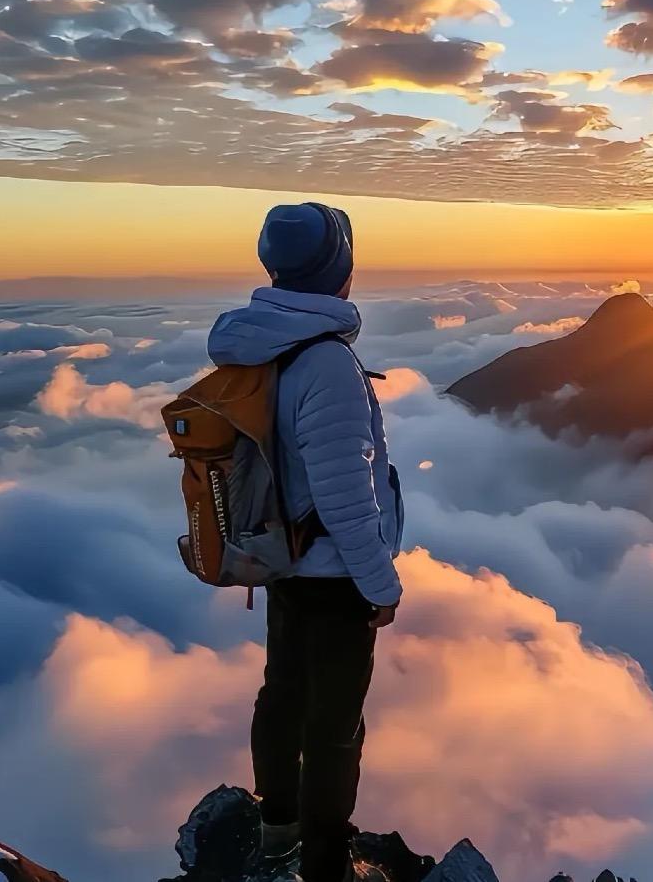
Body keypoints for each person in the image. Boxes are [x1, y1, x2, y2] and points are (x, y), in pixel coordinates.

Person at [207, 202, 404, 882]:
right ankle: (326, 865)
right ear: (338, 270)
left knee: (282, 693)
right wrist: (380, 586)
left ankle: (278, 829)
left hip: (281, 560)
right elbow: (348, 498)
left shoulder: (261, 344)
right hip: (332, 573)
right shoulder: (325, 364)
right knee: (335, 726)